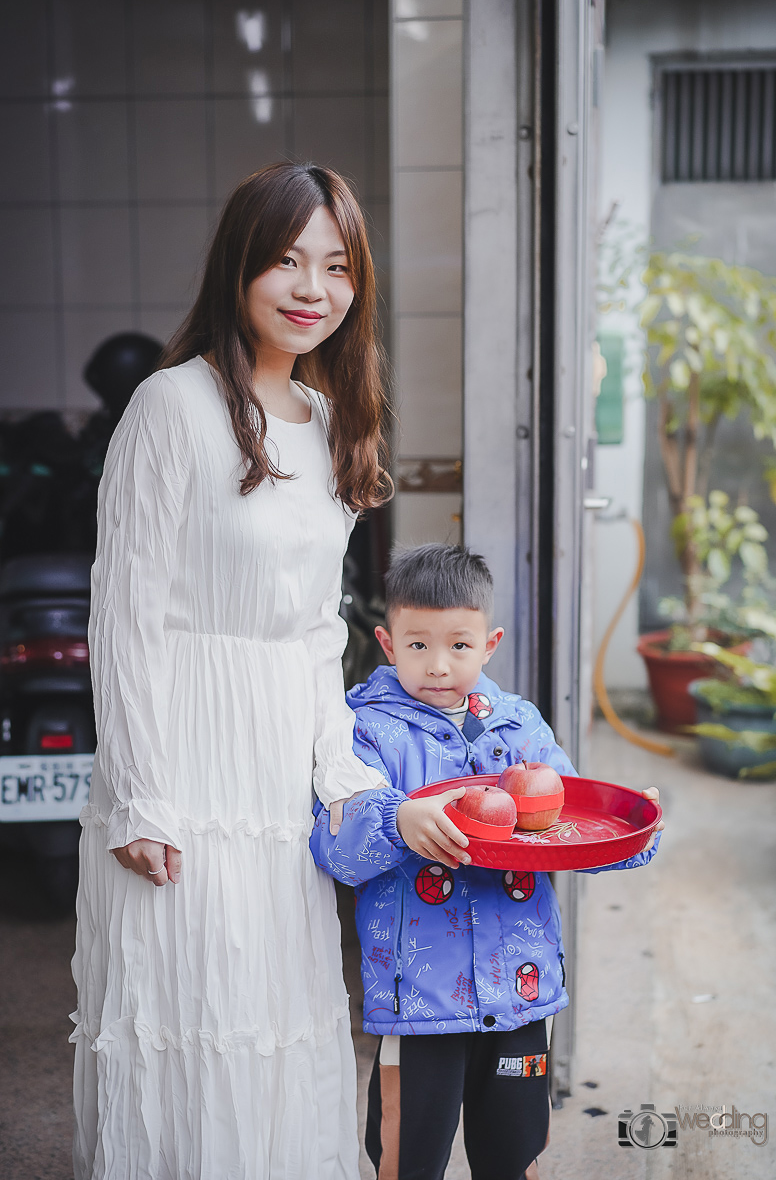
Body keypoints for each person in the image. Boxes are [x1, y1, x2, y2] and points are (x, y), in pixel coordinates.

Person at [71, 162, 392, 1179]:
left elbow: (312, 634)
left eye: (335, 266)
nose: (312, 288)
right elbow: (121, 617)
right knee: (182, 1021)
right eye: (287, 260)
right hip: (181, 763)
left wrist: (340, 776)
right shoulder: (169, 407)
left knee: (276, 1021)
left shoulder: (334, 421)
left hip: (275, 777)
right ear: (239, 268)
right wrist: (139, 796)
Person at [311, 543, 664, 1180]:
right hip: (418, 1000)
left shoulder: (519, 726)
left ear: (490, 643)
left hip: (519, 988)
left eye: (459, 646)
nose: (439, 665)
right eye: (418, 645)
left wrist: (636, 831)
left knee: (514, 1148)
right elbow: (334, 846)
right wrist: (396, 819)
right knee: (405, 1152)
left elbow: (569, 823)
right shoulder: (362, 731)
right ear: (388, 643)